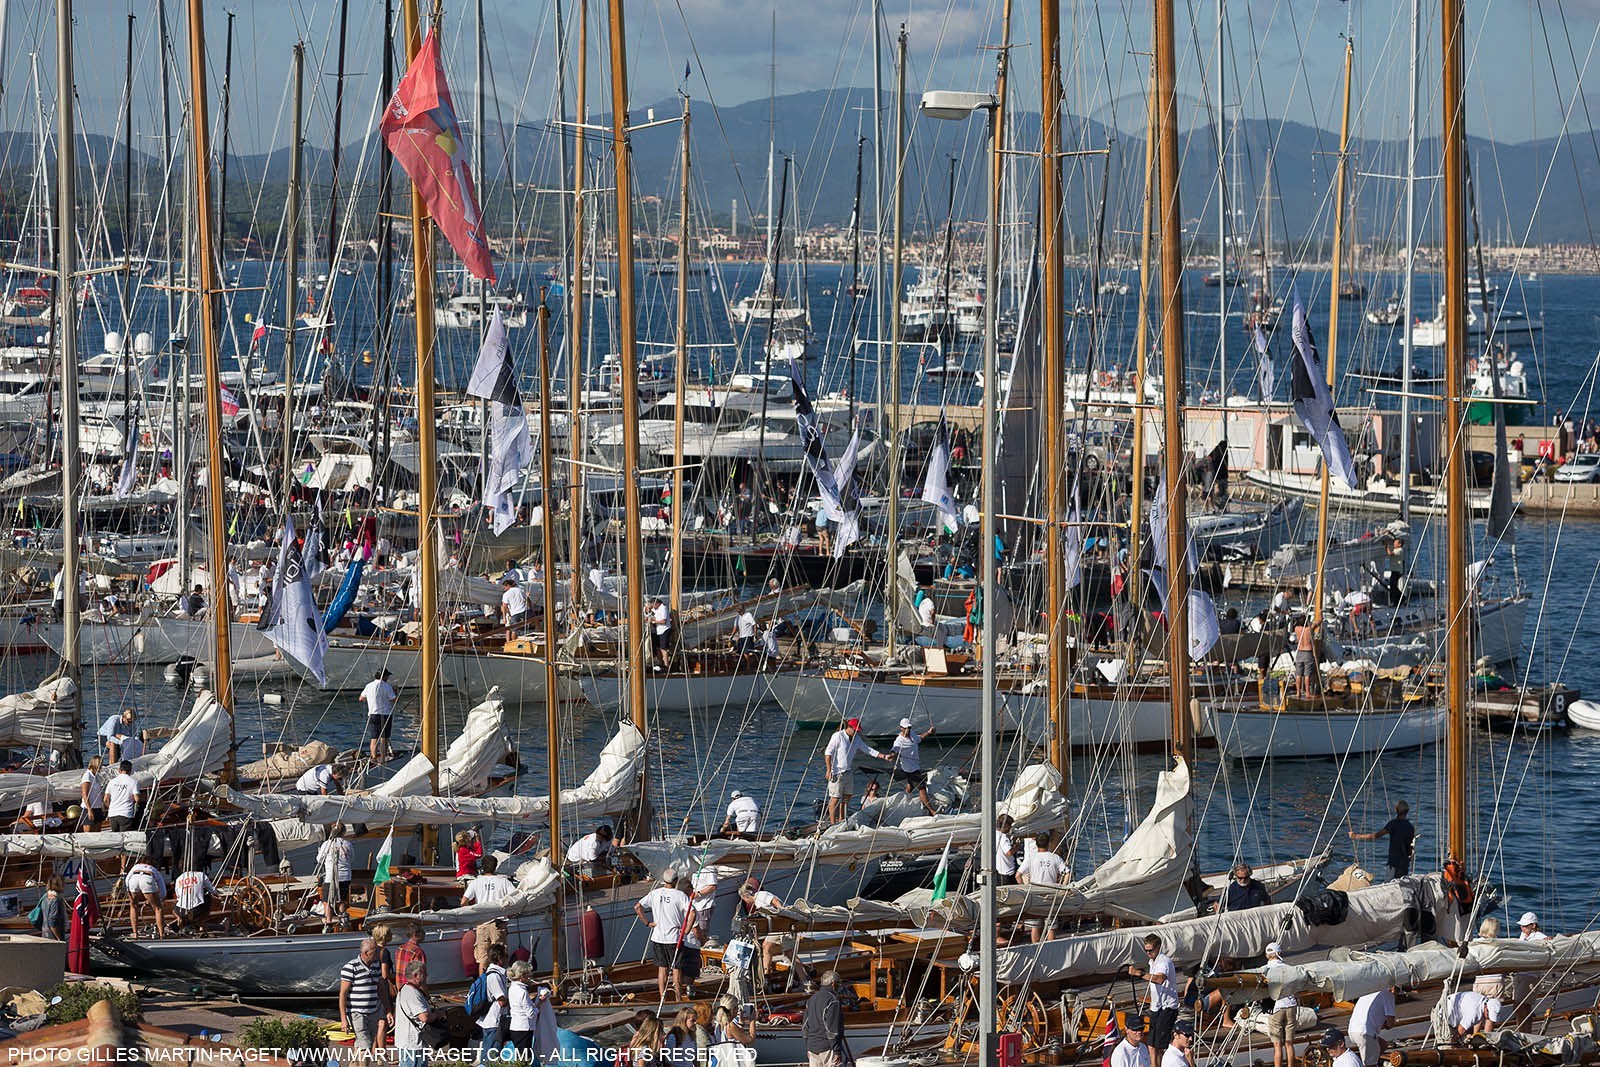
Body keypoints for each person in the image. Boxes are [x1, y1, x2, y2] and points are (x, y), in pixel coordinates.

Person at [636, 868, 693, 1001]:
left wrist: (647, 923)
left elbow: (637, 906)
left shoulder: (654, 893)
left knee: (662, 969)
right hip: (674, 938)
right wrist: (686, 930)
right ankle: (678, 997)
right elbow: (693, 913)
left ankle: (663, 997)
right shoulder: (680, 896)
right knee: (676, 969)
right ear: (676, 881)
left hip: (658, 937)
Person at [822, 717, 892, 826]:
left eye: (858, 731)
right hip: (836, 772)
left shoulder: (856, 739)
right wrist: (829, 770)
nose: (856, 732)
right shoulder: (838, 736)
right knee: (835, 798)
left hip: (848, 771)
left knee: (848, 795)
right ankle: (832, 823)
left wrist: (883, 756)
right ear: (849, 727)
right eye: (855, 730)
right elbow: (828, 753)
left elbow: (867, 749)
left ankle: (841, 818)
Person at [1128, 934, 1180, 1055]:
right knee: (1151, 1045)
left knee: (1161, 1046)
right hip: (1156, 1008)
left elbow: (1160, 979)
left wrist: (1139, 973)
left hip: (1167, 1008)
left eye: (1150, 950)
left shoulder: (1163, 961)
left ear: (1158, 948)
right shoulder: (1152, 962)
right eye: (1146, 951)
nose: (1148, 953)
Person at [340, 937, 392, 1055]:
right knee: (366, 1047)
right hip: (357, 1013)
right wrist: (344, 1020)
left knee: (362, 1045)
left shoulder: (376, 965)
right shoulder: (351, 967)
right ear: (366, 953)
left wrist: (388, 1009)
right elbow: (343, 994)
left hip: (373, 1011)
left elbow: (381, 989)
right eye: (375, 951)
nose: (378, 954)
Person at [1018, 832, 1068, 942]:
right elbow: (1067, 872)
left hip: (1035, 894)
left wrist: (1024, 888)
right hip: (1051, 894)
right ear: (1049, 843)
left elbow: (1018, 875)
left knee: (1035, 926)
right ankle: (1051, 949)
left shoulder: (1031, 858)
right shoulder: (1055, 858)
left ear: (1036, 844)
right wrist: (1062, 888)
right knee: (1051, 927)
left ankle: (1035, 947)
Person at [1349, 801, 1415, 878]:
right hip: (1404, 864)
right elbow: (1410, 849)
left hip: (1394, 863)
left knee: (1390, 885)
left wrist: (1356, 836)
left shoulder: (1393, 824)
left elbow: (1376, 835)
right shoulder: (1410, 827)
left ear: (1396, 810)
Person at [890, 718, 938, 815]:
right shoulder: (899, 741)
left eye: (909, 728)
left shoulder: (912, 734)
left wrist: (929, 732)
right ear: (901, 728)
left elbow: (919, 738)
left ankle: (904, 801)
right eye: (906, 728)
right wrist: (892, 755)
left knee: (910, 785)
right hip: (909, 769)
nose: (908, 730)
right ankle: (931, 810)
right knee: (922, 787)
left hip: (915, 766)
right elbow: (894, 749)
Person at [802, 970, 848, 1067]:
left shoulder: (811, 999)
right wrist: (837, 1051)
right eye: (839, 983)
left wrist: (808, 1047)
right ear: (833, 984)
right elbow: (832, 1029)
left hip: (812, 1048)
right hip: (828, 1048)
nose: (839, 986)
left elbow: (805, 1026)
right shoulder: (833, 1000)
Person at [393, 960, 433, 1066]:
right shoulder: (411, 992)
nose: (427, 975)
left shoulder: (405, 989)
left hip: (409, 1043)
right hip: (413, 1044)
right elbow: (424, 1017)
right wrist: (437, 1015)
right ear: (416, 975)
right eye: (424, 973)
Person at [1265, 942, 1298, 1067]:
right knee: (1289, 1043)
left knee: (1277, 1045)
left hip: (1276, 1007)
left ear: (1267, 955)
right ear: (1279, 953)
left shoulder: (1265, 970)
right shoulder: (1288, 968)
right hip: (1290, 1005)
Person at [476, 942, 511, 1058]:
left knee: (492, 1054)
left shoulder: (496, 974)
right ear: (500, 958)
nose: (508, 958)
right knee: (491, 1056)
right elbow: (501, 1001)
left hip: (494, 1021)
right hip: (494, 1022)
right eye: (506, 956)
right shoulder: (494, 976)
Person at [1347, 986, 1396, 1065]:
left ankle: (1374, 1060)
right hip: (1365, 1032)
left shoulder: (1368, 992)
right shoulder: (1388, 995)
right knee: (1370, 1064)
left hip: (1352, 1031)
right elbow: (1390, 1023)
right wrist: (1384, 1025)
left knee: (1382, 1045)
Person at [360, 669, 399, 761]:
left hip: (373, 714)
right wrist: (396, 692)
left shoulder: (369, 685)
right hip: (385, 714)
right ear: (384, 676)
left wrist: (371, 699)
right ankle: (382, 758)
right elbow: (394, 700)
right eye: (387, 676)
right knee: (384, 738)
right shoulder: (387, 686)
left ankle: (373, 758)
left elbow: (361, 698)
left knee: (374, 738)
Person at [125, 858, 167, 939]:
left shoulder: (136, 866)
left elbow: (127, 880)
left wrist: (129, 891)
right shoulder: (154, 870)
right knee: (158, 909)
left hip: (133, 879)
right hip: (147, 878)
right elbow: (163, 891)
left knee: (133, 906)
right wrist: (158, 899)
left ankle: (135, 933)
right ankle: (162, 935)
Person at [317, 828, 355, 918]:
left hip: (331, 877)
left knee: (327, 901)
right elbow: (352, 859)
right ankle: (343, 921)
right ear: (343, 832)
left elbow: (319, 860)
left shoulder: (326, 844)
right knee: (342, 900)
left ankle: (328, 921)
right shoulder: (347, 844)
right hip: (345, 876)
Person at [506, 959, 536, 1060]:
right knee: (525, 1058)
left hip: (515, 1026)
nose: (529, 978)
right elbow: (530, 1013)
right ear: (522, 976)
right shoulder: (522, 991)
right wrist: (539, 1004)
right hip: (524, 1028)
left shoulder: (511, 988)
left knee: (520, 1056)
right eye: (528, 975)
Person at [105, 760, 140, 833]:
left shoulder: (112, 782)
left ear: (119, 770)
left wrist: (110, 807)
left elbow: (105, 799)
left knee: (116, 838)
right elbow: (137, 799)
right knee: (125, 838)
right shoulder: (133, 782)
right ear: (130, 771)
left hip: (113, 814)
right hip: (125, 813)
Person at [394, 924, 427, 993]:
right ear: (416, 934)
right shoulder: (417, 952)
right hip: (413, 989)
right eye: (423, 932)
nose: (425, 934)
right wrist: (425, 994)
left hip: (400, 988)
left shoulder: (400, 949)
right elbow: (420, 976)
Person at [1292, 618, 1317, 699]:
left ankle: (1298, 692)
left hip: (1299, 652)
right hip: (1307, 652)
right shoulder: (1309, 629)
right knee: (1307, 674)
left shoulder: (1296, 629)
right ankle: (1307, 693)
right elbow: (1318, 622)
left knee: (1298, 674)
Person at [34, 876, 66, 940]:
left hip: (45, 934)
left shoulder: (45, 897)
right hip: (53, 937)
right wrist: (59, 938)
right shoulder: (56, 900)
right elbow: (52, 921)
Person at [79, 755, 106, 829]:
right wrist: (89, 810)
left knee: (97, 832)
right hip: (90, 808)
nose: (101, 767)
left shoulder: (96, 776)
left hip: (97, 807)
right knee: (89, 833)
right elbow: (85, 794)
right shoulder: (87, 776)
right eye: (100, 764)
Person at [651, 597, 673, 671]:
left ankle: (667, 666)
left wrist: (654, 622)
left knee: (663, 648)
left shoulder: (663, 608)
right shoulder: (657, 609)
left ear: (657, 603)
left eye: (653, 605)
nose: (653, 607)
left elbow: (663, 621)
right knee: (658, 648)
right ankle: (660, 663)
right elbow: (653, 613)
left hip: (664, 630)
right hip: (659, 631)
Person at [995, 814, 1018, 886]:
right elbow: (1009, 852)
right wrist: (1016, 846)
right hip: (1007, 873)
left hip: (999, 871)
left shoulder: (994, 834)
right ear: (1005, 826)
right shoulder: (1003, 836)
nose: (1010, 828)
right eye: (1009, 826)